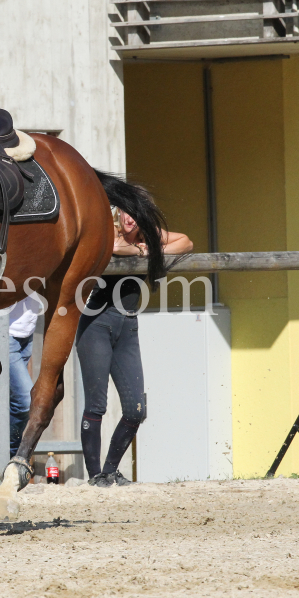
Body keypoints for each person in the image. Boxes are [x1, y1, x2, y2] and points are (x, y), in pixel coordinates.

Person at [77, 206, 193, 487]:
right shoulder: (109, 231)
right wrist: (144, 252)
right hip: (97, 324)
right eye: (127, 212)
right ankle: (94, 478)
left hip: (128, 326)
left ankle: (109, 471)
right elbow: (116, 246)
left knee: (135, 409)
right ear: (118, 212)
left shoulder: (148, 235)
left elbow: (187, 242)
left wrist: (147, 250)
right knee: (97, 404)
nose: (130, 218)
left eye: (137, 215)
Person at [0, 293, 42, 483]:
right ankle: (9, 461)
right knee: (25, 401)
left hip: (26, 332)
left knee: (1, 408)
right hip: (4, 332)